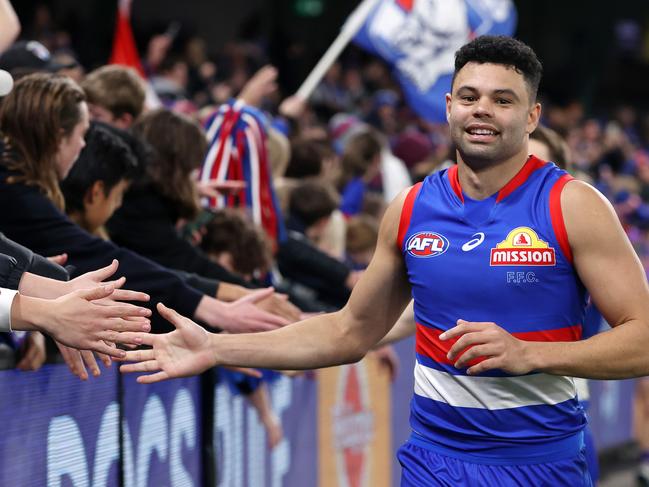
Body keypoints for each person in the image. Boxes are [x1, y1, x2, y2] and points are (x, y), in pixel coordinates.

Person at [120, 36, 649, 486]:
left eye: (502, 100)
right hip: (432, 465)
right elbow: (348, 332)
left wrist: (533, 356)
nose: (481, 109)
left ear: (532, 115)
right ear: (448, 106)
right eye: (468, 96)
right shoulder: (413, 209)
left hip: (538, 467)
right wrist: (216, 346)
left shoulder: (573, 205)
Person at [0, 73, 289, 337]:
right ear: (56, 138)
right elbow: (101, 256)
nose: (84, 145)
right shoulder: (16, 192)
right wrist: (46, 313)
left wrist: (49, 305)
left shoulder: (21, 187)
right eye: (81, 133)